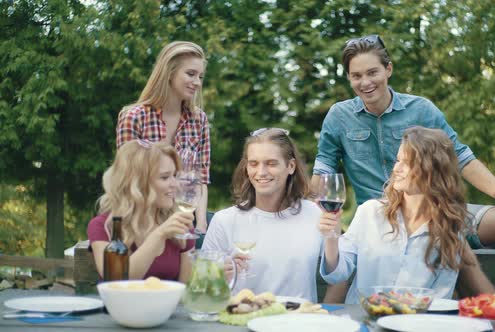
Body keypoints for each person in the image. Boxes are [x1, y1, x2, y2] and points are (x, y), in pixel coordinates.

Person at [313, 35, 495, 298]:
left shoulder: (421, 109)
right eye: (356, 76)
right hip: (379, 222)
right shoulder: (339, 116)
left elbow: (461, 156)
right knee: (340, 283)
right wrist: (313, 210)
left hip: (435, 211)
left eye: (372, 72)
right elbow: (323, 171)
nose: (365, 82)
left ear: (388, 69)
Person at [320, 126, 470, 303]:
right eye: (397, 160)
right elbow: (336, 275)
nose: (396, 169)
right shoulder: (370, 212)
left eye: (407, 163)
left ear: (432, 171)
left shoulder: (449, 231)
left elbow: (440, 299)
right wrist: (331, 237)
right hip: (362, 321)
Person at [201, 128, 323, 302]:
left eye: (271, 163)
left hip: (299, 321)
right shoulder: (225, 220)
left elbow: (339, 273)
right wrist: (221, 277)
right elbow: (204, 287)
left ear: (291, 166)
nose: (261, 172)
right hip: (244, 320)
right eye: (253, 163)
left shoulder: (314, 214)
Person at [116, 41, 210, 234]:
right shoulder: (134, 117)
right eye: (191, 74)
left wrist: (200, 227)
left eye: (200, 76)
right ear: (169, 72)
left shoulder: (199, 119)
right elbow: (127, 181)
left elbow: (198, 181)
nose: (198, 83)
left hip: (186, 222)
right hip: (143, 223)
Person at [87, 140, 196, 282]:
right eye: (165, 177)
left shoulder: (180, 226)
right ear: (138, 183)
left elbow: (185, 290)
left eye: (175, 176)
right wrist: (159, 235)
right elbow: (117, 280)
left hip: (169, 304)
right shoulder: (103, 226)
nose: (175, 184)